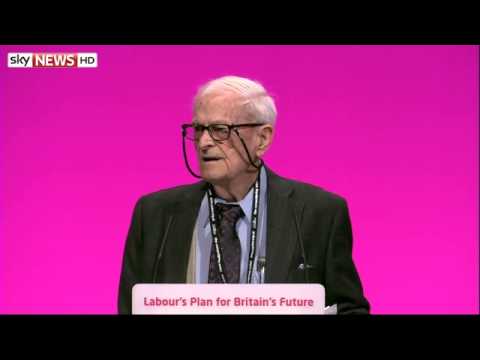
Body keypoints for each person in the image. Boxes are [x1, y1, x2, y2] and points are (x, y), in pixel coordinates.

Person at [118, 75, 370, 314]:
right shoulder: (154, 214)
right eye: (198, 129)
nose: (204, 142)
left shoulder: (318, 213)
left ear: (262, 139)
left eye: (220, 130)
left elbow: (349, 309)